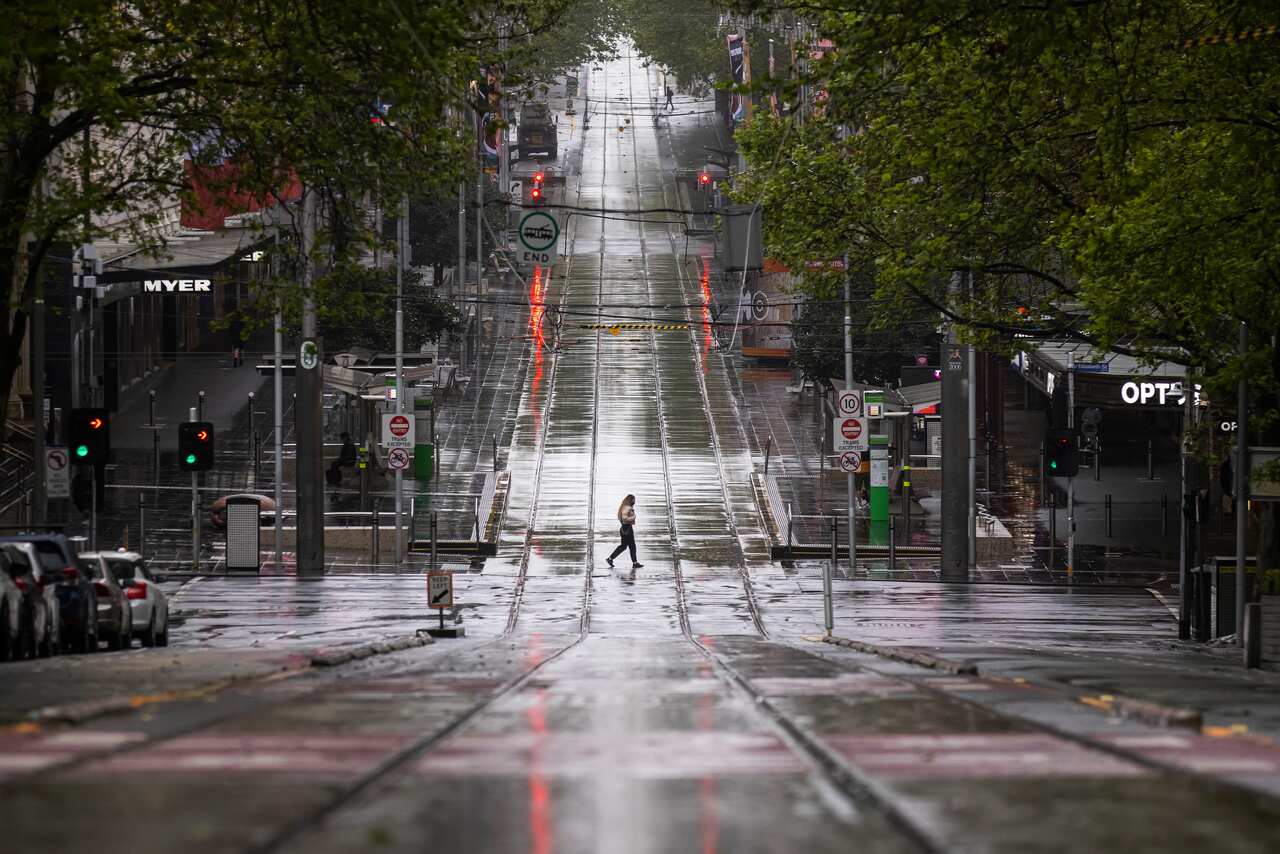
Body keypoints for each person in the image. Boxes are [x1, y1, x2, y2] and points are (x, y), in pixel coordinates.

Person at [607, 494, 643, 569]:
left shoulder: (622, 507)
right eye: (633, 499)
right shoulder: (628, 508)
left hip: (623, 528)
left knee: (624, 546)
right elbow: (625, 518)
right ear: (630, 500)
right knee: (632, 546)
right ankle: (635, 563)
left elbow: (621, 518)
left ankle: (610, 559)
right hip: (628, 529)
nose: (634, 501)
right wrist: (633, 517)